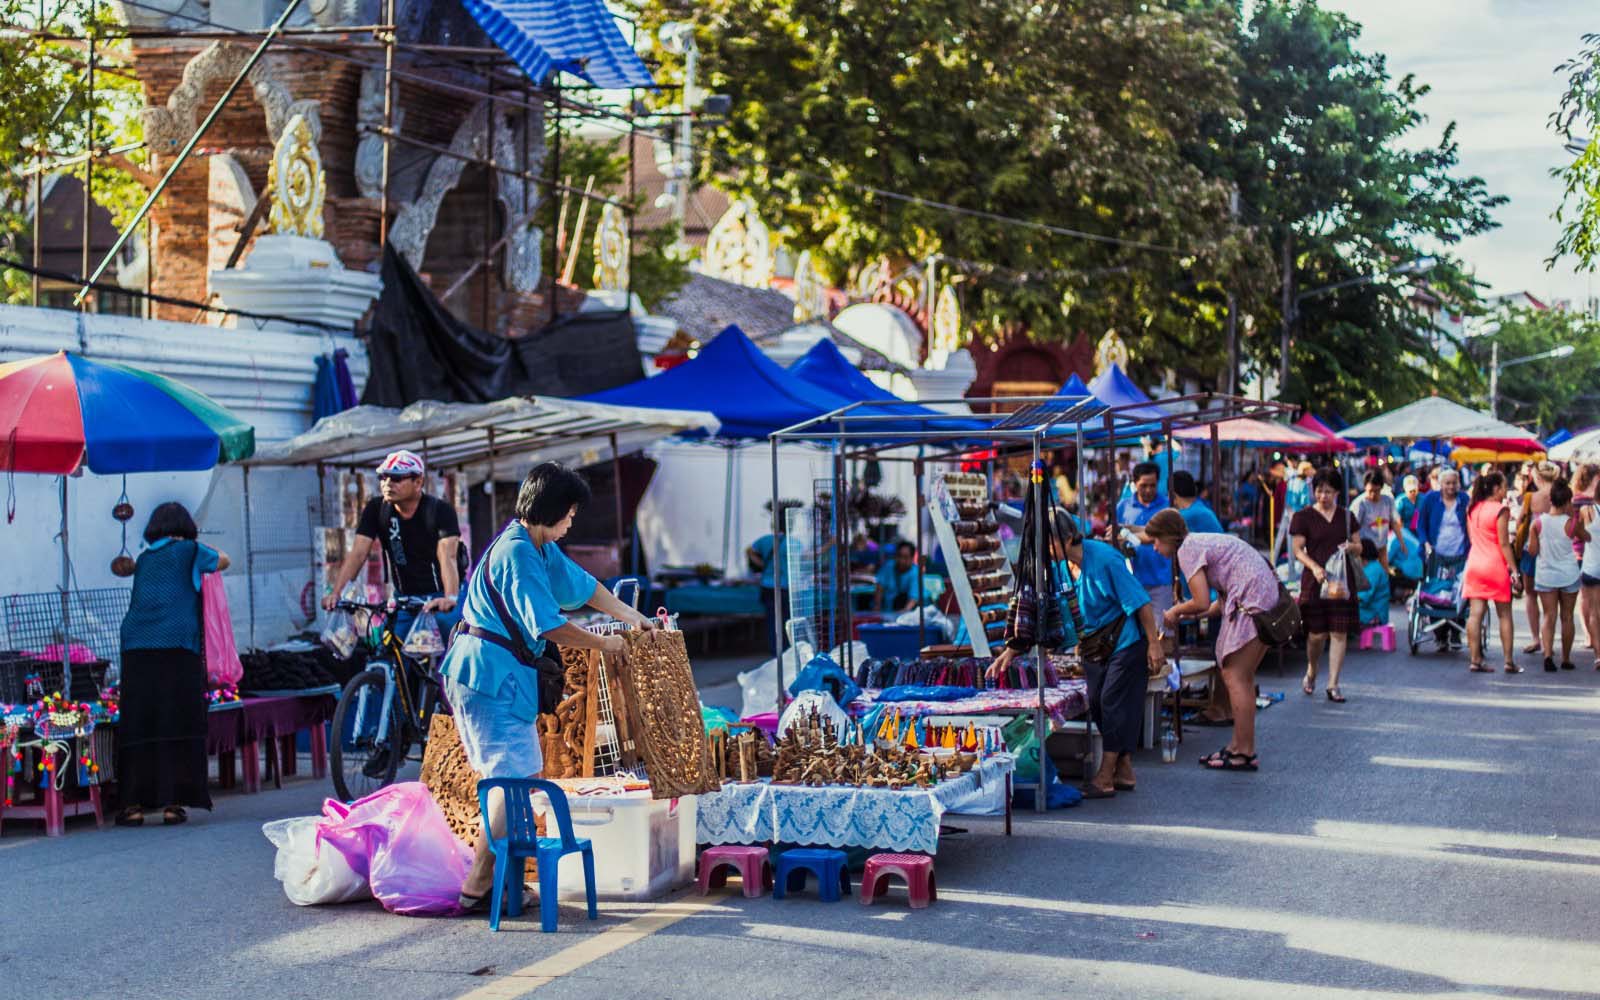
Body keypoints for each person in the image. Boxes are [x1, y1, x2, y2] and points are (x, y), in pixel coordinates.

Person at [441, 463, 660, 914]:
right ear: (553, 510)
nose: (572, 522)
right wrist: (606, 643)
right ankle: (478, 887)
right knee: (509, 782)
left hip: (498, 677)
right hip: (487, 677)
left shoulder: (537, 545)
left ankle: (499, 882)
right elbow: (550, 625)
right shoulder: (518, 553)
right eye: (571, 513)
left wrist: (632, 617)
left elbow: (585, 588)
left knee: (515, 778)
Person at [988, 507, 1163, 798]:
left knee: (1112, 701)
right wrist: (1012, 650)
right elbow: (1038, 610)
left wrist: (1154, 645)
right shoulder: (1058, 568)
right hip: (1094, 646)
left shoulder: (1106, 560)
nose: (1046, 549)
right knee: (1095, 703)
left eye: (1050, 542)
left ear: (1069, 538)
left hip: (1126, 642)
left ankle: (1105, 776)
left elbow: (1141, 602)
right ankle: (1124, 769)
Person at [116, 502, 230, 827]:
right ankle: (173, 803)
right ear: (185, 527)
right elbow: (224, 560)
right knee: (176, 720)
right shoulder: (190, 550)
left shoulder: (145, 557)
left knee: (141, 722)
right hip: (177, 646)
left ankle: (133, 806)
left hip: (136, 647)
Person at [1146, 509, 1279, 771]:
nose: (1154, 548)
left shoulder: (1187, 549)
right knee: (1240, 676)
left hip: (1253, 599)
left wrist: (1175, 611)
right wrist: (1188, 615)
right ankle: (1237, 746)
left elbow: (1200, 601)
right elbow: (1213, 604)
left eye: (1156, 541)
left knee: (1234, 676)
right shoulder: (1197, 542)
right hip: (1260, 595)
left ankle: (1244, 751)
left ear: (1168, 537)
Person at [322, 450, 463, 642]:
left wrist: (451, 597)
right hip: (405, 599)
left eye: (396, 478)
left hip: (441, 596)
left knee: (457, 649)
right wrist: (336, 593)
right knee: (390, 651)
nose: (387, 483)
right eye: (383, 477)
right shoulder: (376, 509)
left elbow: (448, 556)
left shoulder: (439, 510)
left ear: (418, 482)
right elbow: (358, 553)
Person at [1290, 469, 1361, 703]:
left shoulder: (1347, 517)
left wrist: (1351, 547)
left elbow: (1360, 546)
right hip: (1315, 581)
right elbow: (1297, 549)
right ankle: (1312, 669)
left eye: (1328, 491)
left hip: (1341, 582)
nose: (1323, 496)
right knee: (1316, 635)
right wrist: (1314, 567)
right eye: (1319, 491)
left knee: (1339, 633)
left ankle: (1333, 684)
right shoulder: (1303, 517)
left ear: (1337, 492)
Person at [1463, 471, 1520, 674]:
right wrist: (1515, 570)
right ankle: (1508, 661)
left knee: (1475, 614)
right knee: (1504, 614)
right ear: (1496, 489)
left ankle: (1475, 659)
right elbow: (1504, 544)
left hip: (1475, 564)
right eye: (1504, 487)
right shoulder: (1500, 509)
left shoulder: (1473, 508)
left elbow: (1472, 539)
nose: (1506, 491)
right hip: (1494, 565)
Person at [1528, 477, 1581, 672]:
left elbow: (1532, 552)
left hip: (1546, 575)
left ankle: (1548, 655)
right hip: (1569, 574)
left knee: (1549, 616)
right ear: (1568, 501)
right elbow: (1585, 537)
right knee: (1567, 617)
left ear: (1550, 500)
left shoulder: (1538, 523)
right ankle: (1566, 658)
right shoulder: (1572, 523)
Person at [1115, 461, 1173, 620]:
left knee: (1162, 633)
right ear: (1134, 483)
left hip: (1161, 581)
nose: (1148, 490)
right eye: (1143, 485)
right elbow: (1114, 537)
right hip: (1131, 581)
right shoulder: (1123, 507)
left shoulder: (1167, 507)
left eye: (1152, 485)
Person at [1512, 461, 1556, 654]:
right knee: (1551, 599)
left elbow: (1520, 520)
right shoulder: (1561, 496)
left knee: (1531, 594)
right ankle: (1549, 643)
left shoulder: (1531, 497)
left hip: (1531, 551)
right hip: (1554, 551)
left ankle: (1535, 638)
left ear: (1537, 477)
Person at [1350, 470, 1407, 577]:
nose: (1373, 494)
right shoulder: (1359, 504)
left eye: (1376, 491)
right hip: (1365, 550)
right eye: (1370, 491)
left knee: (1384, 573)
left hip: (1382, 546)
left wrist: (1401, 542)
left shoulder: (1387, 500)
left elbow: (1394, 522)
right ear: (1365, 488)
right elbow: (1353, 528)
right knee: (1369, 576)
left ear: (1381, 488)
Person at [1572, 463, 1600, 663]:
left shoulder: (1582, 506)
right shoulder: (1587, 506)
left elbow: (1576, 531)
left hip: (1587, 560)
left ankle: (1595, 647)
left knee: (1590, 606)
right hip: (1589, 559)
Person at [1416, 468, 1469, 561]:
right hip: (1436, 554)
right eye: (1447, 483)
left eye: (1454, 483)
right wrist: (1426, 543)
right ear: (1441, 484)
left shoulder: (1464, 499)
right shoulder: (1430, 499)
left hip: (1460, 554)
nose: (1451, 486)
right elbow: (1421, 525)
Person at [874, 541, 920, 612]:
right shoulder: (888, 566)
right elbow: (879, 588)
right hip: (886, 611)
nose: (901, 560)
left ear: (912, 558)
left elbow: (913, 599)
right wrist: (877, 606)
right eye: (899, 556)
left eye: (905, 557)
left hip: (907, 614)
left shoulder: (915, 573)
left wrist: (903, 612)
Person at [1357, 538, 1390, 626]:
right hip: (1368, 611)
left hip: (1373, 615)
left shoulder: (1373, 570)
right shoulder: (1369, 567)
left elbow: (1364, 596)